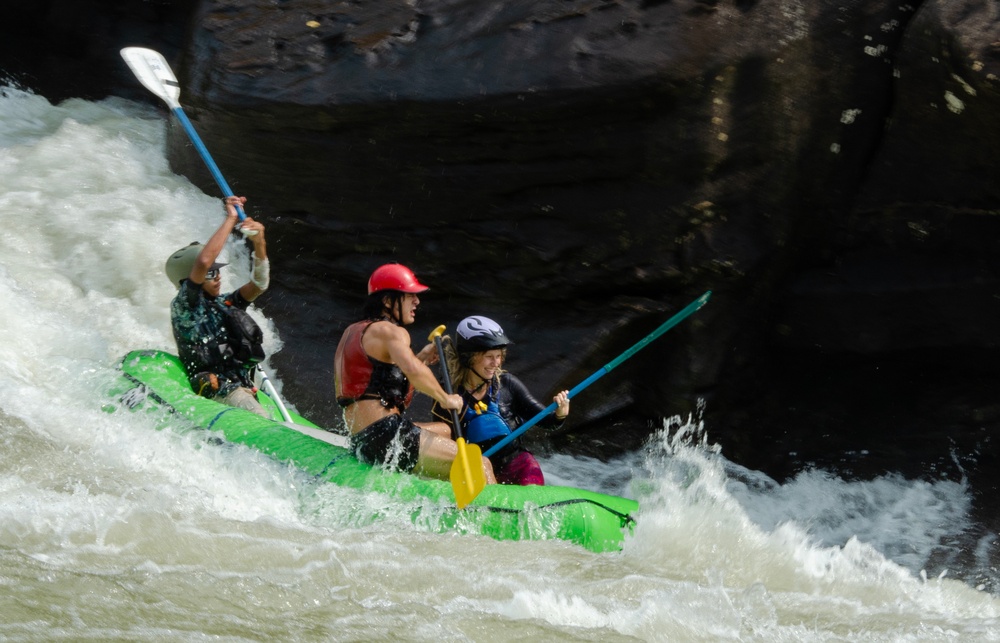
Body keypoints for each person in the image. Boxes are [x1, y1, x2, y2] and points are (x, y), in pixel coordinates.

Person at [334, 263, 497, 483]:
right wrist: (445, 398)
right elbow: (412, 371)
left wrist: (420, 358)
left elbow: (389, 396)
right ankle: (490, 511)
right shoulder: (391, 331)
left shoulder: (355, 330)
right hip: (386, 435)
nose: (417, 301)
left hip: (362, 438)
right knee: (479, 463)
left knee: (445, 430)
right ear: (387, 301)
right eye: (410, 296)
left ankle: (446, 489)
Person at [430, 316, 569, 485]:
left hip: (515, 463)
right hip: (477, 469)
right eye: (489, 356)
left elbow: (547, 420)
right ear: (469, 357)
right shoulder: (448, 395)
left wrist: (560, 414)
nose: (495, 363)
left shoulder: (507, 384)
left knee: (528, 464)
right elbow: (443, 446)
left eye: (499, 356)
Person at [166, 196, 271, 417]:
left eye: (218, 271)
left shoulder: (225, 303)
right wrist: (231, 218)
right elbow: (204, 262)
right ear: (189, 281)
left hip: (242, 387)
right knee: (262, 419)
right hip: (220, 390)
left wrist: (259, 242)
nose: (217, 277)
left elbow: (260, 284)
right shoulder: (186, 306)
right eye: (211, 273)